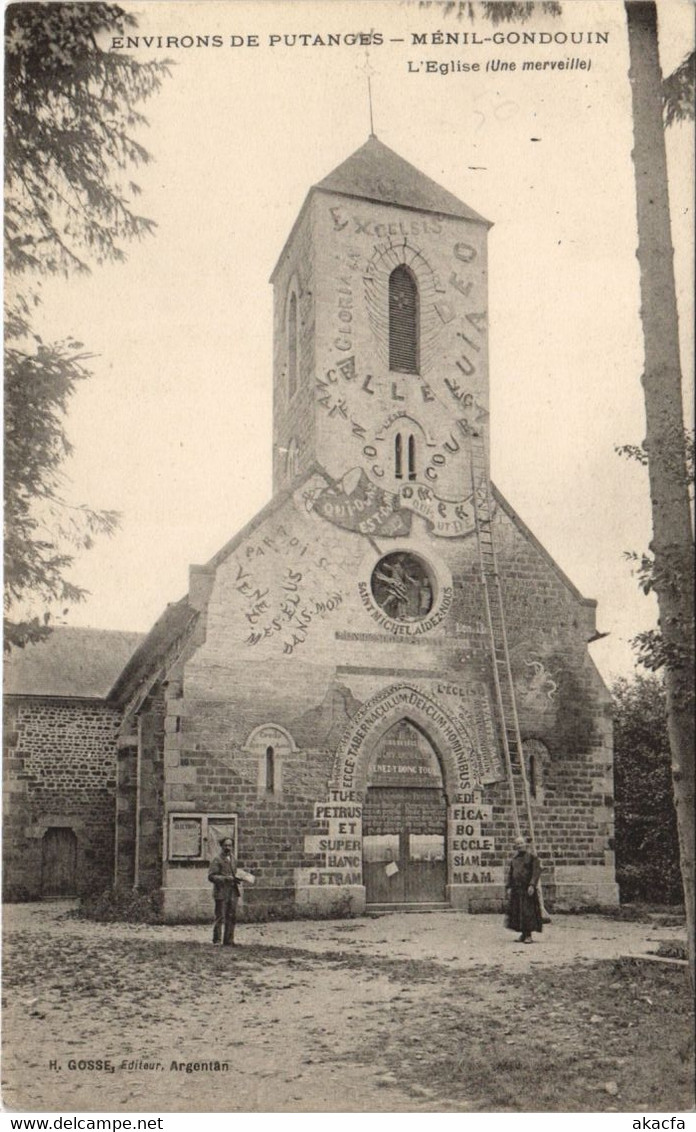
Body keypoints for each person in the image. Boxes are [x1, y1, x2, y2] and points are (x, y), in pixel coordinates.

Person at [505, 835, 543, 944]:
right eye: (517, 844)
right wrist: (509, 887)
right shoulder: (514, 859)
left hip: (527, 890)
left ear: (525, 844)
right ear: (515, 846)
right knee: (518, 912)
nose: (519, 846)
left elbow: (536, 872)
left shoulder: (531, 857)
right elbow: (511, 874)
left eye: (521, 843)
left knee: (528, 912)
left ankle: (528, 935)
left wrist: (532, 885)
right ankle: (523, 934)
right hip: (517, 889)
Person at [208, 837, 241, 946]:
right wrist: (226, 878)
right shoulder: (217, 859)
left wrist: (239, 878)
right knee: (220, 916)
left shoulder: (234, 859)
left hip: (232, 892)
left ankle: (229, 940)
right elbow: (211, 876)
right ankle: (217, 940)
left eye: (230, 845)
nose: (228, 848)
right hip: (221, 892)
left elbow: (235, 873)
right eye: (225, 845)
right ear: (221, 846)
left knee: (231, 916)